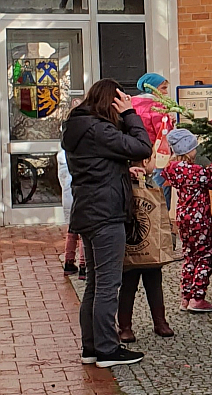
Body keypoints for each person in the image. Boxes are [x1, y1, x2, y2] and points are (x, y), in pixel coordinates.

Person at [62, 78, 151, 368]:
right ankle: (107, 350)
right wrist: (130, 114)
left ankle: (91, 348)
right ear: (111, 103)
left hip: (87, 211)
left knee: (94, 283)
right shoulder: (99, 130)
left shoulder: (80, 127)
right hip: (105, 213)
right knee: (107, 285)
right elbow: (142, 147)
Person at [161, 129, 212, 313]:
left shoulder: (172, 169)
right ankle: (198, 298)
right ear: (187, 150)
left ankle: (186, 297)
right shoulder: (196, 171)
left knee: (189, 255)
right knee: (206, 255)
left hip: (183, 218)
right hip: (200, 219)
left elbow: (203, 176)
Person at [117, 157, 175, 342]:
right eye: (154, 159)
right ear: (145, 161)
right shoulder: (125, 184)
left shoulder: (150, 184)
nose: (155, 164)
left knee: (154, 282)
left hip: (150, 248)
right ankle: (125, 326)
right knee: (128, 285)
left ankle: (160, 321)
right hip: (132, 247)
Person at [132, 73, 173, 208]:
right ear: (153, 89)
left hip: (133, 154)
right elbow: (165, 133)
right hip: (156, 155)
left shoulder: (130, 104)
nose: (166, 93)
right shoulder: (157, 107)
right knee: (159, 192)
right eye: (163, 88)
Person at [57, 147, 85, 279]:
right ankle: (84, 265)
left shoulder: (62, 157)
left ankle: (69, 261)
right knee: (85, 232)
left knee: (71, 230)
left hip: (68, 199)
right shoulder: (78, 153)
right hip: (80, 197)